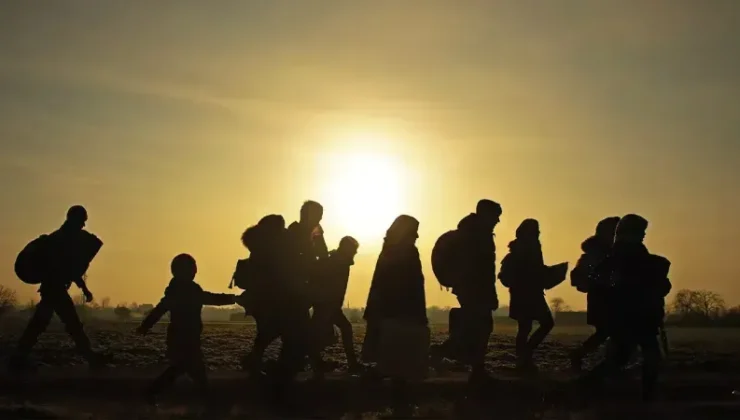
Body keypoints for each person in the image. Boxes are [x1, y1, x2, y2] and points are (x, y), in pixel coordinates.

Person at [581, 214, 672, 401]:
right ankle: (584, 386)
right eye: (639, 232)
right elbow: (605, 286)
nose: (642, 236)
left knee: (643, 357)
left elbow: (659, 285)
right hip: (627, 317)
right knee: (624, 359)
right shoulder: (614, 261)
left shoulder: (629, 258)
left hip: (641, 316)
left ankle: (646, 397)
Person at [9, 205, 106, 373]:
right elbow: (65, 267)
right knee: (70, 324)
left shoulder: (63, 238)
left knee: (43, 324)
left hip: (54, 289)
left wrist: (84, 288)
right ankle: (90, 358)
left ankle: (19, 357)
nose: (83, 225)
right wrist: (82, 287)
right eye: (82, 221)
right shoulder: (61, 240)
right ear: (75, 219)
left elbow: (71, 269)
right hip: (54, 289)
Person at [137, 254, 239, 405]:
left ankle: (154, 392)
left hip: (180, 336)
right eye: (193, 268)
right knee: (191, 369)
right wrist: (233, 299)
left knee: (185, 368)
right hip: (186, 337)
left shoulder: (175, 291)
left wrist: (146, 325)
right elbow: (209, 298)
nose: (195, 271)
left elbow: (159, 310)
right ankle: (209, 401)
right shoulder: (189, 290)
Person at [431, 199, 502, 387]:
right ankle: (445, 356)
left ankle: (469, 366)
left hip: (475, 289)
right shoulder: (475, 235)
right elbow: (479, 268)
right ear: (486, 215)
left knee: (477, 329)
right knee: (480, 328)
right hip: (474, 289)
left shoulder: (476, 233)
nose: (498, 221)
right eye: (496, 216)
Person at [362, 215, 428, 413]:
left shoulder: (389, 251)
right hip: (401, 315)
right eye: (414, 231)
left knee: (394, 363)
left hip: (392, 315)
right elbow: (412, 288)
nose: (417, 235)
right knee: (399, 363)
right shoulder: (406, 252)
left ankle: (395, 403)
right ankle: (398, 405)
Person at [499, 219, 555, 372]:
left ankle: (523, 359)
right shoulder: (528, 248)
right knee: (543, 323)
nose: (538, 232)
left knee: (525, 328)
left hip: (524, 294)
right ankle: (525, 357)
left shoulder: (523, 248)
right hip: (529, 294)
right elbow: (528, 271)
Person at [569, 217, 621, 371]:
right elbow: (581, 276)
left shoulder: (609, 252)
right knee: (609, 331)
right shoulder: (595, 255)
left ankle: (584, 356)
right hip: (601, 298)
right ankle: (584, 356)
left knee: (608, 332)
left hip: (609, 297)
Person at [310, 236, 361, 373]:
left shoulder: (337, 260)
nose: (355, 253)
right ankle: (316, 364)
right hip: (326, 304)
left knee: (340, 329)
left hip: (330, 305)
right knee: (318, 335)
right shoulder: (335, 262)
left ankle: (318, 363)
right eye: (353, 250)